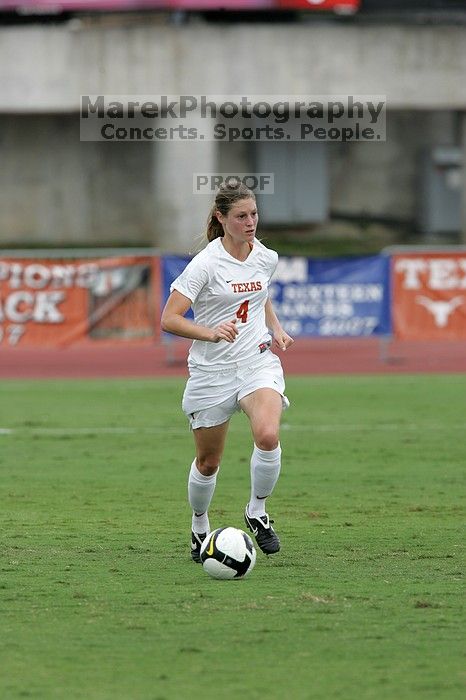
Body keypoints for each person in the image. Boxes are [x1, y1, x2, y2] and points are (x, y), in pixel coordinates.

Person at [161, 180, 294, 563]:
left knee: (268, 435)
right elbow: (169, 319)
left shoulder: (266, 257)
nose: (250, 222)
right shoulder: (205, 264)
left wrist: (276, 327)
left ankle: (257, 511)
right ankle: (199, 523)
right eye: (241, 216)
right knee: (208, 462)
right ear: (221, 219)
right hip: (211, 372)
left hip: (256, 361)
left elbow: (260, 295)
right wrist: (210, 332)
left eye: (253, 214)